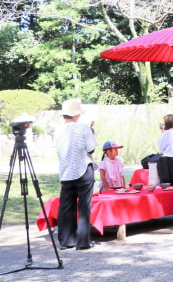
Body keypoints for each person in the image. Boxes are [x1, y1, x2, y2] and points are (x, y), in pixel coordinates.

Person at [56, 99, 97, 250]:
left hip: (66, 172)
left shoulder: (58, 130)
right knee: (84, 206)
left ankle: (66, 241)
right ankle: (83, 242)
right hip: (82, 169)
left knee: (66, 206)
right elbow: (91, 148)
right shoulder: (83, 127)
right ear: (76, 115)